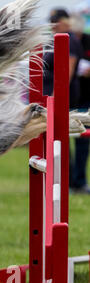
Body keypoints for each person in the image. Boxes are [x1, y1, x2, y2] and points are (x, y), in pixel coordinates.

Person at [42, 8, 86, 193]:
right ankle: (63, 180)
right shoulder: (53, 40)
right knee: (58, 139)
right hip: (54, 96)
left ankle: (71, 181)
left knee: (62, 138)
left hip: (62, 97)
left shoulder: (69, 40)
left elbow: (67, 70)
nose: (52, 25)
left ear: (63, 21)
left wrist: (54, 96)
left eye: (55, 21)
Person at [71, 13, 90, 193]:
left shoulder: (87, 41)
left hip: (85, 99)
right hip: (70, 99)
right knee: (62, 142)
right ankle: (70, 180)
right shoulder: (65, 41)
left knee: (83, 141)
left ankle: (80, 181)